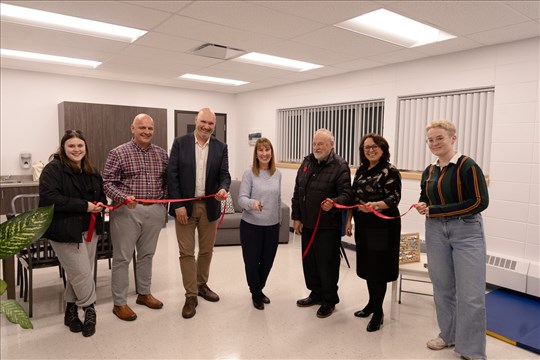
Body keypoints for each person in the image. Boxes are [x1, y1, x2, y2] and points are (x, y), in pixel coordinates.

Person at [415, 120, 489, 360]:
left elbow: (479, 202)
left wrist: (436, 210)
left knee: (471, 294)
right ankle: (448, 335)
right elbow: (425, 196)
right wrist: (424, 204)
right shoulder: (430, 170)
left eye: (440, 138)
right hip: (436, 232)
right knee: (443, 288)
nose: (435, 143)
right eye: (430, 140)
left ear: (453, 138)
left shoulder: (468, 166)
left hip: (466, 232)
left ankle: (472, 350)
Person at [39, 130, 106, 337]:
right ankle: (89, 309)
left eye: (80, 146)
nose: (76, 150)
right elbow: (49, 199)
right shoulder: (52, 170)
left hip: (89, 230)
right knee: (83, 273)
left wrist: (101, 204)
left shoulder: (91, 170)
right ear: (63, 148)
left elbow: (100, 194)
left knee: (78, 274)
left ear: (85, 148)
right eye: (71, 146)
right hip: (64, 232)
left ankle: (70, 310)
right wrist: (85, 206)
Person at [102, 113, 168, 321]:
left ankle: (144, 293)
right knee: (122, 258)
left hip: (155, 210)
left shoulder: (161, 154)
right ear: (132, 128)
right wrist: (123, 197)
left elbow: (166, 181)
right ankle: (119, 303)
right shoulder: (118, 153)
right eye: (142, 128)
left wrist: (163, 203)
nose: (147, 132)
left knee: (147, 255)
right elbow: (107, 183)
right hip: (127, 211)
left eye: (150, 128)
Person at [167, 107, 231, 319]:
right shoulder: (180, 143)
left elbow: (224, 175)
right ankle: (191, 295)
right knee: (186, 252)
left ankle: (202, 285)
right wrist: (178, 205)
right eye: (203, 122)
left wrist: (223, 188)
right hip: (185, 206)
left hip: (209, 205)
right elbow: (172, 175)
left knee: (206, 251)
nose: (206, 127)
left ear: (214, 126)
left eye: (210, 124)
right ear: (196, 120)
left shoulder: (221, 147)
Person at [291, 128, 352, 318]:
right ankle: (315, 293)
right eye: (315, 143)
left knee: (327, 264)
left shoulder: (340, 165)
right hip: (307, 223)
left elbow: (347, 195)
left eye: (321, 144)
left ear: (331, 145)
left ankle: (329, 299)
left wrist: (334, 203)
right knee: (309, 262)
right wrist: (297, 218)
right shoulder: (307, 161)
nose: (317, 147)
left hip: (328, 226)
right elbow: (298, 191)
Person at [345, 134, 401, 332]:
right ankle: (371, 304)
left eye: (374, 146)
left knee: (379, 270)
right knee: (369, 266)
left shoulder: (390, 171)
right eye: (366, 147)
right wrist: (349, 221)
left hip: (382, 227)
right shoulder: (361, 170)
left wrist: (374, 206)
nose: (370, 150)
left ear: (383, 149)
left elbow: (393, 199)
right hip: (363, 224)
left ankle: (378, 312)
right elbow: (353, 197)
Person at [238, 137, 282, 310]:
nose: (264, 154)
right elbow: (241, 199)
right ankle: (256, 293)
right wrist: (252, 204)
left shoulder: (277, 174)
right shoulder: (249, 173)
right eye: (261, 150)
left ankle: (258, 288)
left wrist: (279, 221)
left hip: (272, 226)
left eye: (267, 150)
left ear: (271, 152)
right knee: (251, 261)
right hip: (251, 226)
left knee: (267, 262)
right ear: (256, 154)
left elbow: (278, 200)